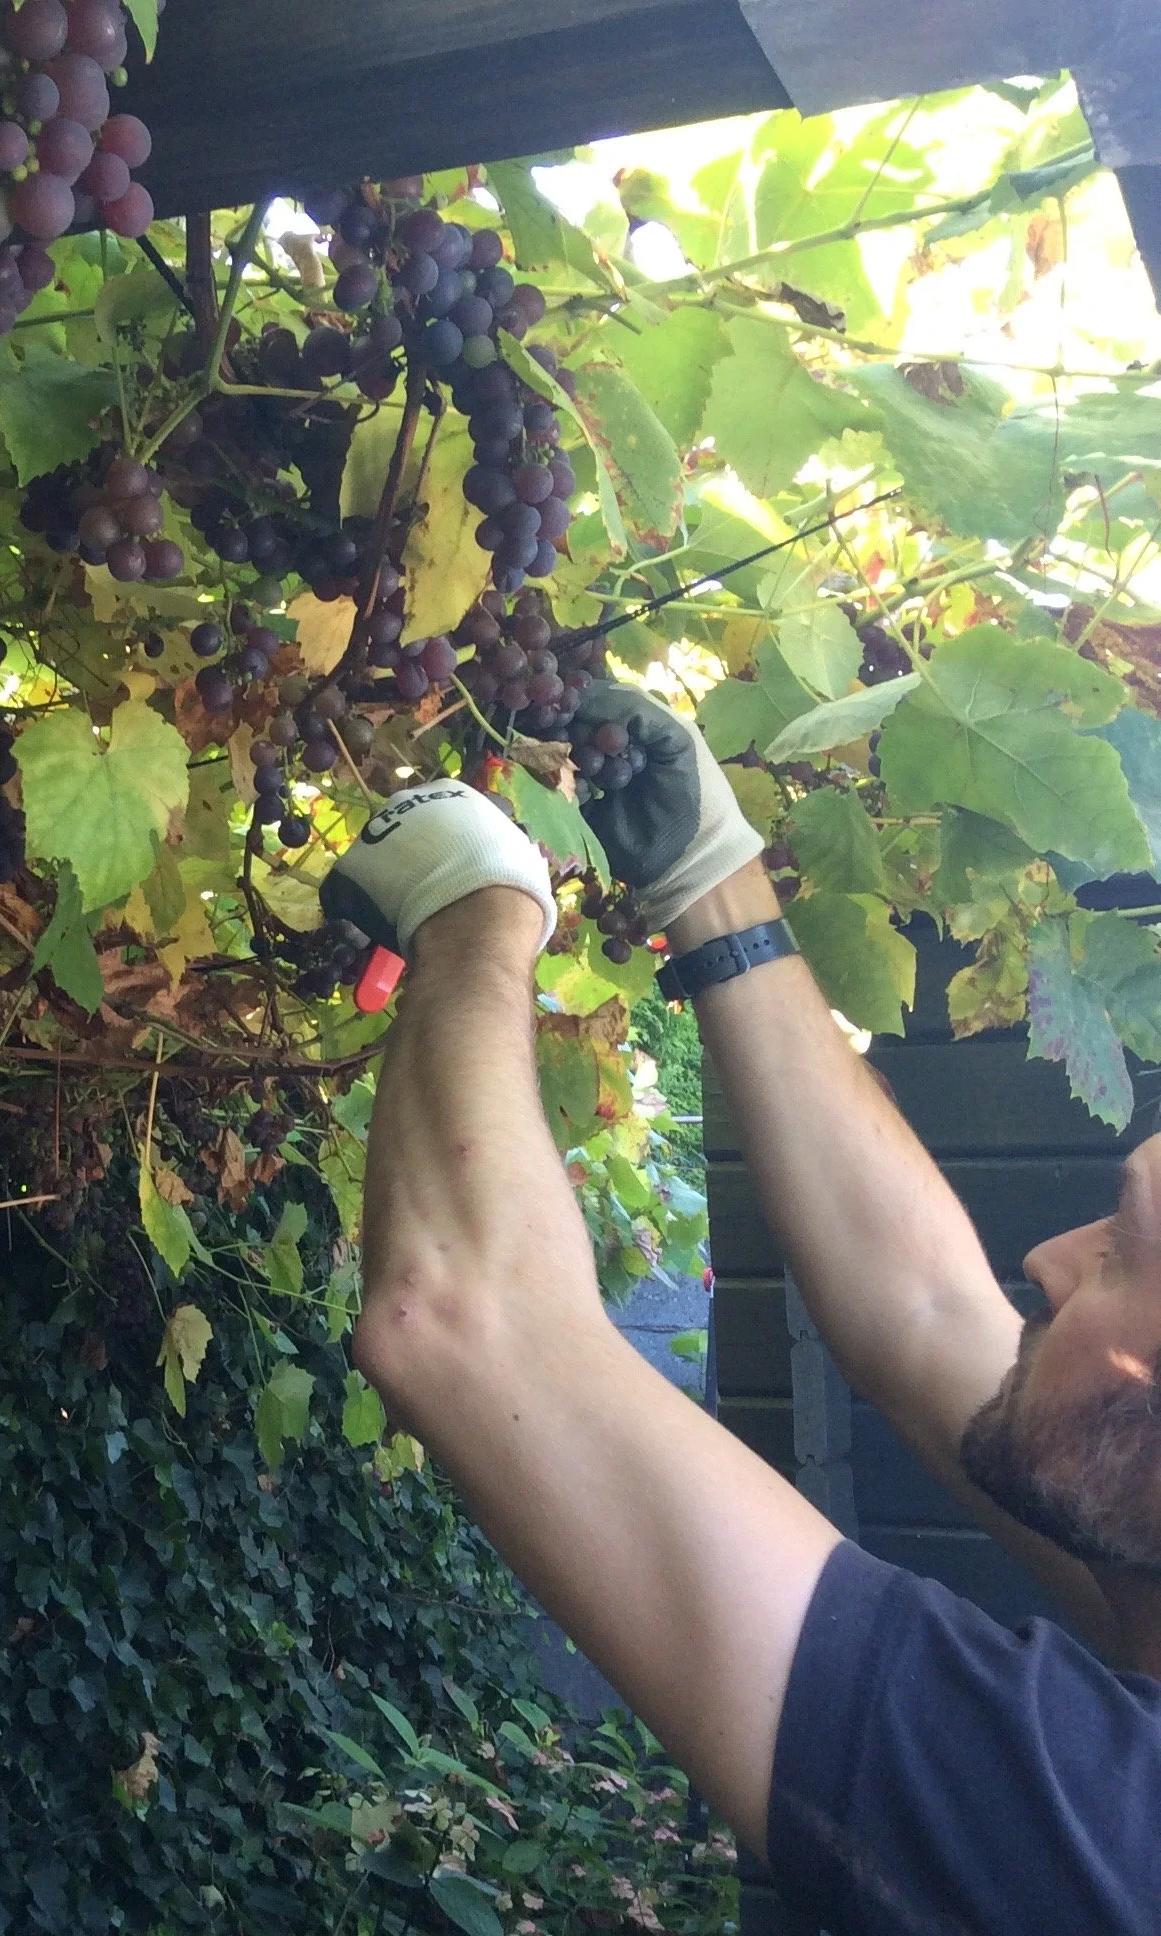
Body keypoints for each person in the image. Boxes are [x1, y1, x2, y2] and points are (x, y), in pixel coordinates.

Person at [321, 688, 1161, 1936]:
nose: (1044, 1256)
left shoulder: (1103, 1841)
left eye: (1120, 1252)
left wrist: (473, 908)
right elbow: (921, 1308)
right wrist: (714, 880)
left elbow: (459, 1320)